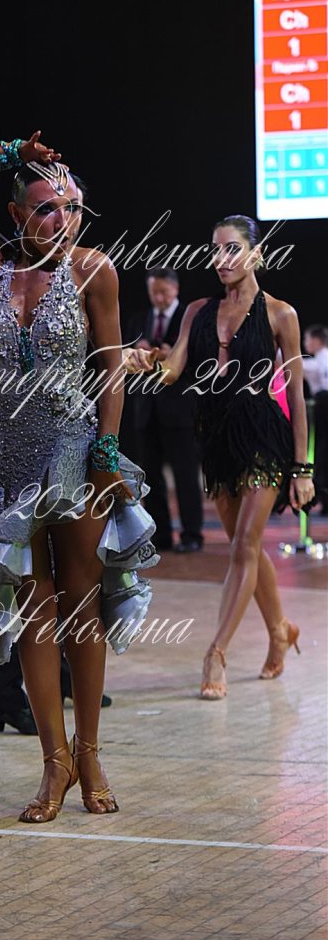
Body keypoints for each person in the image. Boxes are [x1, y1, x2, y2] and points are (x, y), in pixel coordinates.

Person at [0, 132, 158, 822]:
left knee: (82, 607)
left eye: (73, 207)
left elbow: (111, 368)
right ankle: (54, 762)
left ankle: (91, 753)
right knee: (33, 607)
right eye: (48, 208)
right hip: (5, 460)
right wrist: (7, 150)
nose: (64, 220)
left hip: (73, 451)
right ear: (16, 212)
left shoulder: (93, 270)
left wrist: (107, 451)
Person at [124, 214, 315, 699]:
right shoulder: (197, 311)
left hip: (263, 437)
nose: (221, 259)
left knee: (244, 545)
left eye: (232, 248)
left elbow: (296, 396)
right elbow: (173, 370)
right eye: (216, 249)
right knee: (243, 546)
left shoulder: (281, 314)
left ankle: (217, 652)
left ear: (256, 254)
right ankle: (280, 629)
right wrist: (145, 363)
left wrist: (302, 468)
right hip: (215, 440)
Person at [124, 267, 204, 552]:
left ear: (175, 289)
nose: (158, 298)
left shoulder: (189, 319)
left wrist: (176, 358)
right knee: (151, 475)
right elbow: (124, 361)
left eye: (163, 292)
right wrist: (137, 355)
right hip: (146, 410)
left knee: (185, 475)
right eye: (153, 292)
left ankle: (192, 534)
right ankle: (161, 535)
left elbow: (203, 363)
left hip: (180, 410)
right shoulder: (139, 320)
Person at [302, 324, 328, 514]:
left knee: (321, 450)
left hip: (323, 405)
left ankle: (322, 496)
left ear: (317, 341)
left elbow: (294, 365)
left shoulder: (318, 362)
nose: (305, 343)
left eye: (307, 339)